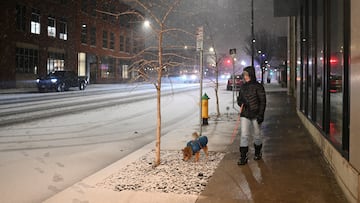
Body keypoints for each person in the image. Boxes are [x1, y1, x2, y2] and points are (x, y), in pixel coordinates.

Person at [237, 66, 266, 165]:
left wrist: (261, 114)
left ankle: (258, 152)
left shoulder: (258, 86)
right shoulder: (243, 86)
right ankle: (243, 156)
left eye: (246, 74)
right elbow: (239, 99)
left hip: (256, 114)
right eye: (244, 74)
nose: (244, 76)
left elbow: (263, 101)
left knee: (257, 135)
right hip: (245, 114)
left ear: (250, 74)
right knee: (244, 135)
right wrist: (241, 101)